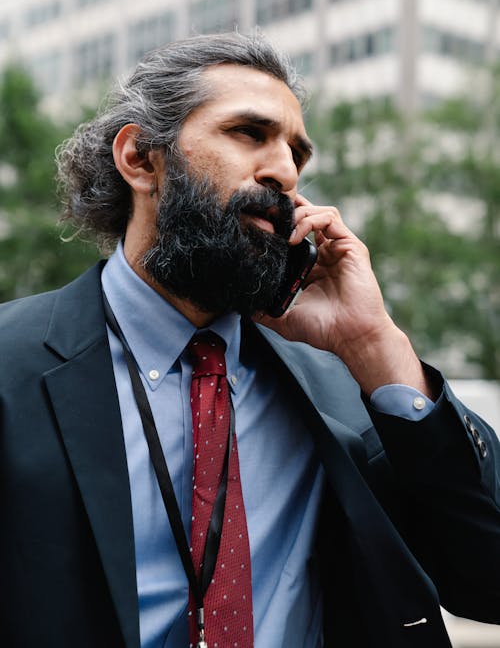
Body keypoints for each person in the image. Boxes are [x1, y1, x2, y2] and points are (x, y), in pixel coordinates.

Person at [0, 32, 498, 648]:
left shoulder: (342, 382)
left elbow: (487, 580)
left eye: (297, 153)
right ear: (140, 160)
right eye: (248, 133)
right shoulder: (10, 361)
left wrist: (376, 345)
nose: (285, 171)